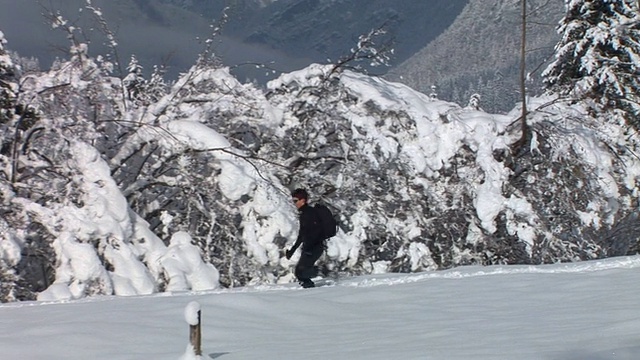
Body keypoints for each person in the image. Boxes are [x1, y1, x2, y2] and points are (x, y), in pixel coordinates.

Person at [286, 188, 324, 288]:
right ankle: (309, 289)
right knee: (300, 272)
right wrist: (292, 251)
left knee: (301, 272)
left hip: (314, 247)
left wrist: (310, 247)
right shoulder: (304, 213)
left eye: (295, 201)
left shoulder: (309, 213)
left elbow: (316, 231)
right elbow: (302, 234)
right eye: (293, 200)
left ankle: (319, 272)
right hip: (310, 247)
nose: (294, 203)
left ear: (303, 200)